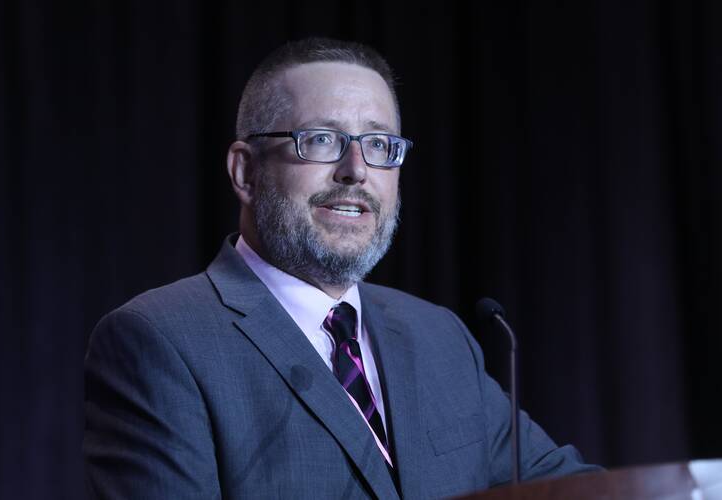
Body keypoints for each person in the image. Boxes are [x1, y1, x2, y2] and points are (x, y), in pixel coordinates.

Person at [83, 37, 600, 499]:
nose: (356, 172)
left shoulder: (440, 337)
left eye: (379, 146)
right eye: (322, 140)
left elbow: (571, 490)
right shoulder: (160, 341)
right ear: (245, 172)